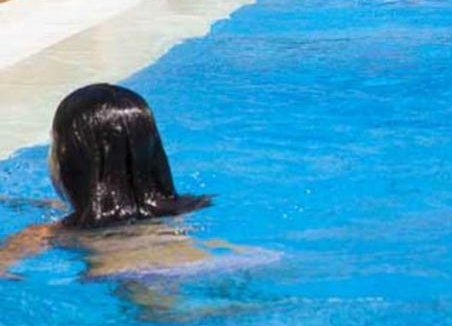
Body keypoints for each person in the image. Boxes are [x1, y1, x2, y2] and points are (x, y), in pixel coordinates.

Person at [0, 85, 264, 289]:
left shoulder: (50, 232)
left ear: (71, 164)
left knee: (161, 316)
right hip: (223, 259)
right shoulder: (183, 208)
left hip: (128, 271)